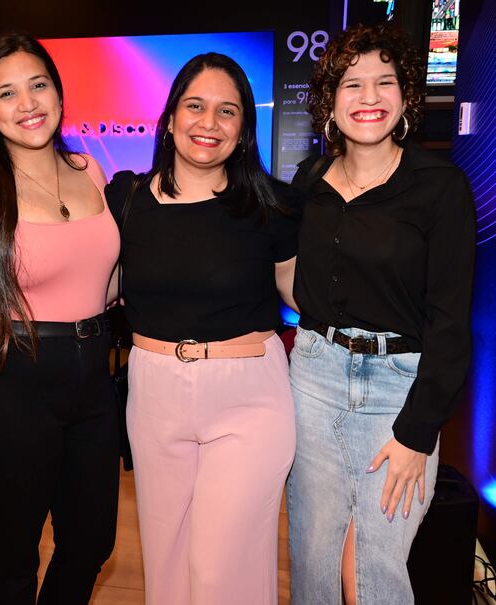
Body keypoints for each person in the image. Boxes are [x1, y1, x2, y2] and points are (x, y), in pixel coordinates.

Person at [0, 33, 120, 605]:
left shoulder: (90, 171)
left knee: (91, 542)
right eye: (6, 93)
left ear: (58, 94)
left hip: (92, 381)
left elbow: (101, 280)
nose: (27, 103)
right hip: (8, 382)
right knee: (14, 558)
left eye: (38, 85)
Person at [286, 23, 475, 605]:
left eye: (384, 82)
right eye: (352, 84)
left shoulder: (440, 187)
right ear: (329, 101)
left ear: (406, 95)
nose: (369, 97)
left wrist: (418, 432)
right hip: (313, 380)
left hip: (399, 391)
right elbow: (294, 279)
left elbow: (450, 323)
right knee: (313, 562)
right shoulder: (309, 182)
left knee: (374, 573)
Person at [105, 52, 298, 605]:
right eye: (195, 106)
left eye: (227, 111)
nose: (208, 123)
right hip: (154, 391)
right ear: (170, 119)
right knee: (166, 563)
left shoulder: (274, 204)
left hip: (248, 395)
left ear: (243, 129)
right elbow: (99, 286)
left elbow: (301, 294)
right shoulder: (126, 199)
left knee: (220, 572)